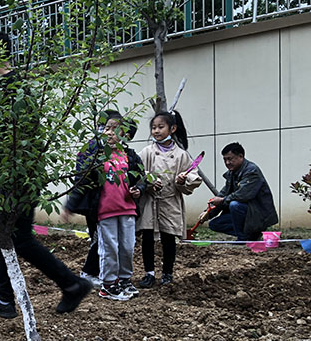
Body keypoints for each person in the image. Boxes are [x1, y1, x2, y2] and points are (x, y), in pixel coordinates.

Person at [0, 31, 92, 318]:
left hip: (14, 177)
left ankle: (70, 284)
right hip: (17, 174)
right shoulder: (14, 86)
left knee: (17, 237)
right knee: (0, 233)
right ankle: (6, 297)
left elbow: (8, 139)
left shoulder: (12, 88)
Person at [64, 114, 145, 301]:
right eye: (106, 128)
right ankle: (108, 284)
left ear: (125, 134)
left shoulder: (131, 157)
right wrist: (70, 205)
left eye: (113, 129)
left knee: (127, 247)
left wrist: (139, 189)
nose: (108, 132)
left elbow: (141, 179)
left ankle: (124, 280)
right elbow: (82, 181)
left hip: (128, 210)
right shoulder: (97, 156)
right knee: (109, 248)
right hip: (105, 211)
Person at [136, 110, 201, 288]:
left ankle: (167, 273)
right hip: (150, 201)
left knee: (168, 238)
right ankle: (149, 273)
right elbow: (137, 172)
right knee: (147, 237)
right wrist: (149, 181)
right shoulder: (147, 152)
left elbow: (192, 178)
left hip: (170, 202)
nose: (156, 131)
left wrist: (183, 180)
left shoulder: (181, 155)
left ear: (172, 128)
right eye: (153, 128)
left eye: (160, 127)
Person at [206, 142, 278, 240]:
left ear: (241, 156)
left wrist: (222, 200)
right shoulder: (232, 173)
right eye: (225, 159)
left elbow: (243, 195)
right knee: (214, 224)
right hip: (246, 214)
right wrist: (207, 213)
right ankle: (251, 235)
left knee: (235, 205)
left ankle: (243, 238)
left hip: (258, 215)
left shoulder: (251, 171)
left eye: (230, 159)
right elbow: (223, 194)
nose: (227, 163)